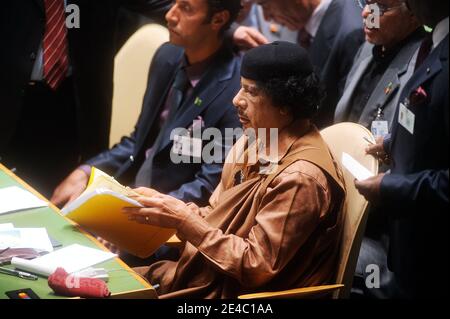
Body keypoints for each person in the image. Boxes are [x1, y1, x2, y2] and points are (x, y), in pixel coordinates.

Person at [123, 42, 346, 299]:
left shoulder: (300, 179)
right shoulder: (254, 141)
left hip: (235, 295)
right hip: (204, 274)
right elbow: (218, 213)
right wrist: (167, 210)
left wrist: (184, 220)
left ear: (285, 103)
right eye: (240, 87)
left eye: (250, 92)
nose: (236, 100)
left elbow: (255, 265)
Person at [52, 0, 242, 209]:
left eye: (186, 8)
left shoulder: (236, 93)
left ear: (218, 19)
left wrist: (141, 210)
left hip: (176, 218)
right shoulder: (167, 56)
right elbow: (137, 141)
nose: (170, 15)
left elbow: (209, 185)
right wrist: (86, 171)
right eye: (174, 3)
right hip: (130, 193)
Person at [0, 0, 173, 197]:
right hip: (9, 100)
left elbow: (175, 8)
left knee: (54, 205)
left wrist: (212, 23)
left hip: (71, 109)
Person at [355, 0, 449, 298]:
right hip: (408, 243)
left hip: (433, 252)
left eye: (384, 5)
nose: (369, 13)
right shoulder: (436, 40)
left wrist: (393, 186)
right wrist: (393, 143)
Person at [256, 0, 365, 128]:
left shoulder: (350, 33)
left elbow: (347, 117)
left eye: (264, 4)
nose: (266, 17)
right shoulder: (305, 24)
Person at [335, 0, 424, 137]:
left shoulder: (422, 63)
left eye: (380, 7)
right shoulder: (367, 47)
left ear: (413, 13)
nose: (366, 13)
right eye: (366, 2)